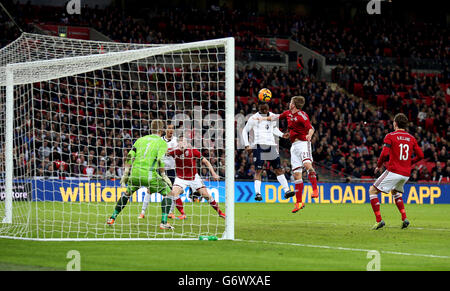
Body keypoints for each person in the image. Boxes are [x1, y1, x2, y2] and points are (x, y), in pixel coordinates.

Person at [107, 119, 175, 230]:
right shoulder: (162, 142)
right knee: (169, 194)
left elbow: (129, 155)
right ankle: (163, 222)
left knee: (128, 193)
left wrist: (125, 173)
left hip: (134, 174)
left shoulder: (140, 140)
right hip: (148, 175)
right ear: (162, 130)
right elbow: (159, 160)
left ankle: (112, 217)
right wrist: (163, 175)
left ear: (151, 128)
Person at [258, 96, 318, 213]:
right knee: (296, 175)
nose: (289, 103)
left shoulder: (302, 116)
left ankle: (315, 190)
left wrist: (309, 135)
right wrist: (262, 119)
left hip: (303, 143)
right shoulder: (288, 113)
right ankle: (299, 203)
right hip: (294, 146)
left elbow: (311, 128)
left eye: (290, 101)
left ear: (294, 104)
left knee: (307, 165)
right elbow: (276, 117)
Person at [369, 113, 424, 230]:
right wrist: (410, 163)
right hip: (405, 174)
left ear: (395, 123)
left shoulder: (390, 136)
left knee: (372, 191)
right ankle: (404, 218)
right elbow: (421, 155)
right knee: (395, 192)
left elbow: (384, 153)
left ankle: (379, 221)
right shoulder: (411, 138)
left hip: (394, 171)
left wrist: (379, 165)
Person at [241, 101, 293, 201]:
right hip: (259, 146)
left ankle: (287, 190)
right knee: (258, 170)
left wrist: (282, 135)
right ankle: (258, 193)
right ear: (259, 108)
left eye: (266, 109)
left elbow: (274, 129)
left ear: (268, 108)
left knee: (278, 169)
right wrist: (247, 145)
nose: (264, 111)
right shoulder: (253, 118)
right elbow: (245, 130)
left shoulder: (272, 116)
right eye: (262, 109)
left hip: (271, 146)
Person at [166, 135, 225, 220]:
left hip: (194, 178)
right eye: (181, 141)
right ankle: (183, 214)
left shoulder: (193, 151)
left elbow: (206, 162)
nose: (183, 143)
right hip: (180, 178)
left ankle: (220, 213)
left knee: (206, 195)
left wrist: (214, 173)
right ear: (178, 143)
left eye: (184, 141)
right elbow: (163, 152)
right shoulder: (174, 151)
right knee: (174, 193)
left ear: (187, 143)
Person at [139, 123, 177, 219]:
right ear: (165, 130)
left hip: (171, 170)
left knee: (172, 191)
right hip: (159, 169)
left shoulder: (176, 141)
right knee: (150, 190)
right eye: (169, 128)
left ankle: (170, 212)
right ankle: (142, 212)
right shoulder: (159, 140)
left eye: (172, 129)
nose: (171, 130)